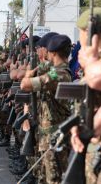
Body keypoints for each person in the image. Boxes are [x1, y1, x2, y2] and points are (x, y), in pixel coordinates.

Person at [70, 4, 101, 184]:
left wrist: (89, 63)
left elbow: (98, 77)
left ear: (87, 34)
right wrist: (79, 128)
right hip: (99, 157)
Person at [21, 35, 73, 184]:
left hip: (55, 137)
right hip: (49, 135)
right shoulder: (57, 71)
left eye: (48, 51)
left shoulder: (59, 74)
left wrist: (29, 74)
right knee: (44, 177)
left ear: (53, 53)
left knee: (53, 178)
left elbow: (25, 84)